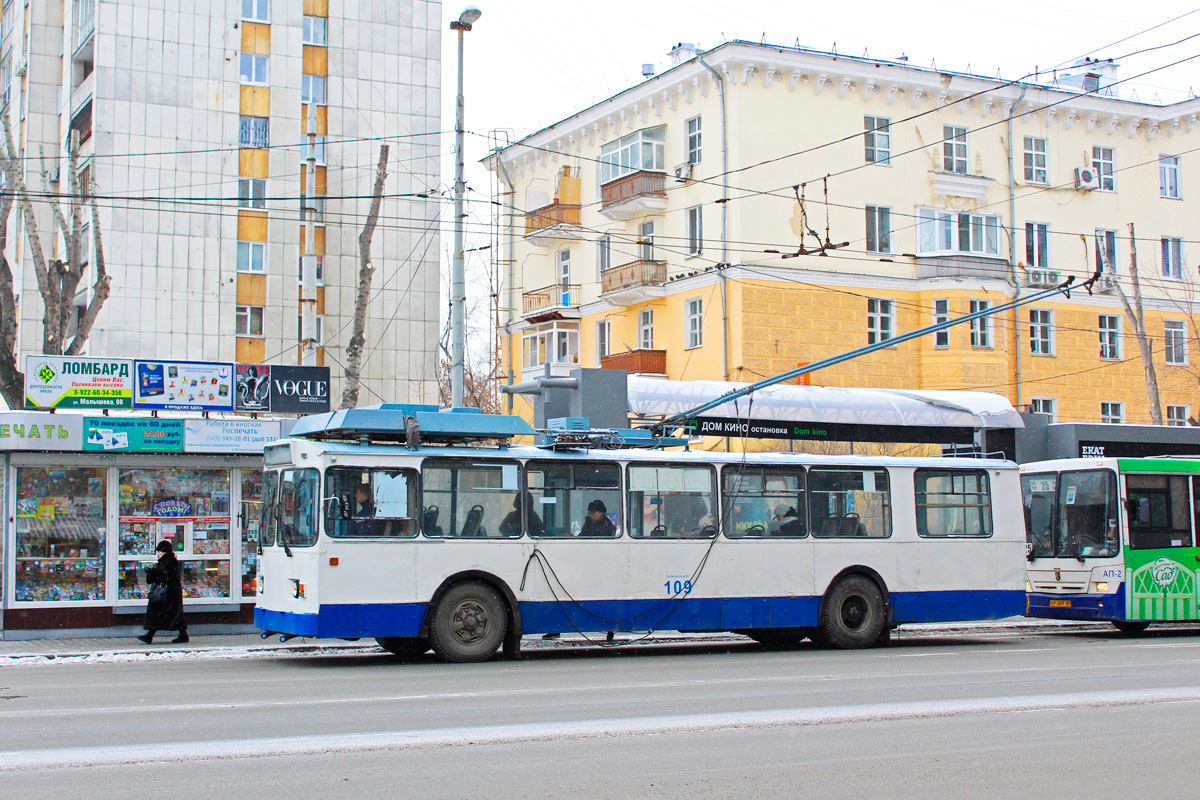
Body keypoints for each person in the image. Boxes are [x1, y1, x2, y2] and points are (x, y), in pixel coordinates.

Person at [138, 541, 187, 644]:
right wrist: (153, 572)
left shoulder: (169, 562)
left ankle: (149, 635)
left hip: (167, 593)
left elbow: (166, 576)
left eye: (160, 551)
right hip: (169, 593)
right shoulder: (167, 561)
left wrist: (154, 573)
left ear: (165, 552)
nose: (158, 553)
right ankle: (183, 634)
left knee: (159, 614)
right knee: (174, 615)